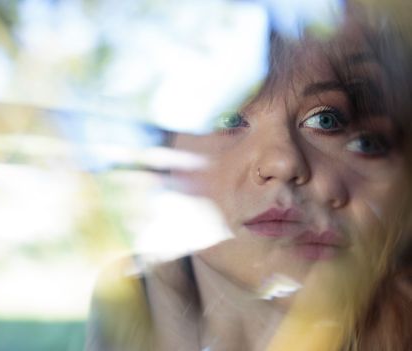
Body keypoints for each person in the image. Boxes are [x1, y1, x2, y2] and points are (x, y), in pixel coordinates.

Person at [85, 1, 412, 350]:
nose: (282, 161)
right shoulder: (128, 298)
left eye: (327, 121)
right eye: (226, 118)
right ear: (162, 155)